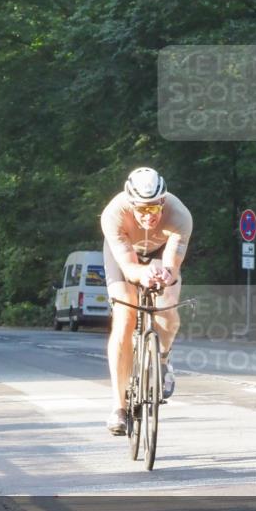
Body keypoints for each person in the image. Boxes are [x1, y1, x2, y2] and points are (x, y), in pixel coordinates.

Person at [100, 167, 192, 435]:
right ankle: (118, 407)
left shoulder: (180, 216)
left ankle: (162, 361)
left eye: (153, 209)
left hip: (162, 251)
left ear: (163, 202)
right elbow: (128, 268)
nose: (147, 215)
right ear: (130, 204)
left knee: (168, 309)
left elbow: (173, 264)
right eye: (141, 209)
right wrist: (142, 272)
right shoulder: (113, 214)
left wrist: (164, 273)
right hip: (125, 255)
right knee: (124, 317)